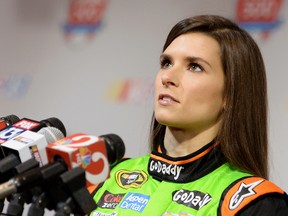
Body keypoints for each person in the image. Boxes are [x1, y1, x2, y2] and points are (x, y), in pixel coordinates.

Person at [88, 15, 288, 215]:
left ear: (231, 93)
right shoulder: (105, 177)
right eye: (166, 63)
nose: (167, 77)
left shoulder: (255, 204)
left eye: (194, 67)